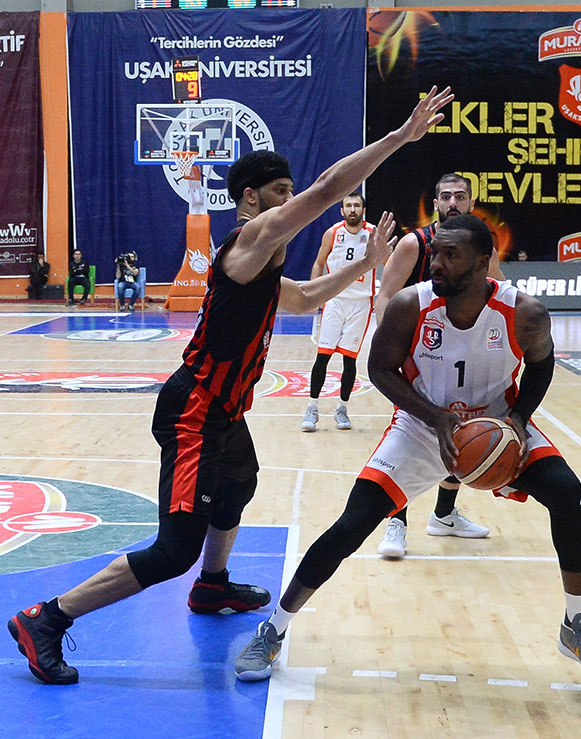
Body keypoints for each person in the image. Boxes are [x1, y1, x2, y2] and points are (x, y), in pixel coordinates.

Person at [7, 85, 454, 685]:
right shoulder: (250, 241)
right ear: (251, 198)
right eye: (281, 193)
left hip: (225, 410)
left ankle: (212, 586)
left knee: (241, 481)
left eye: (290, 193)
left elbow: (306, 298)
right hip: (194, 410)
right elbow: (328, 190)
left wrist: (367, 264)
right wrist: (400, 137)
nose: (290, 202)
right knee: (173, 550)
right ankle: (46, 619)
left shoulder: (262, 263)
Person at [235, 213, 581, 684]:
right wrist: (435, 417)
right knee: (352, 524)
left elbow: (542, 364)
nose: (435, 263)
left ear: (482, 263)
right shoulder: (410, 306)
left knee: (567, 491)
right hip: (421, 426)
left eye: (449, 255)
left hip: (495, 426)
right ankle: (273, 629)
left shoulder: (525, 313)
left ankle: (576, 624)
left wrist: (519, 419)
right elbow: (380, 369)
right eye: (434, 252)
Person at [373, 173, 501, 558]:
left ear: (471, 203)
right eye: (446, 197)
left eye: (460, 197)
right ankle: (396, 523)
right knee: (407, 440)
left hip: (463, 353)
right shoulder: (415, 243)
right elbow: (385, 295)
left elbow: (500, 294)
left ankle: (444, 515)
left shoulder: (482, 246)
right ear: (436, 204)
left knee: (462, 431)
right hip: (419, 355)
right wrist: (392, 348)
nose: (453, 203)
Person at [301, 192, 376, 432]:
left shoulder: (373, 234)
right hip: (335, 300)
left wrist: (388, 293)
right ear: (342, 210)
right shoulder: (332, 233)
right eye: (348, 205)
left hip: (361, 302)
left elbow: (391, 262)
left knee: (349, 359)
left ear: (363, 210)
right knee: (323, 356)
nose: (352, 209)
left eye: (356, 205)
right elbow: (318, 263)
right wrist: (313, 293)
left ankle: (342, 408)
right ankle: (312, 408)